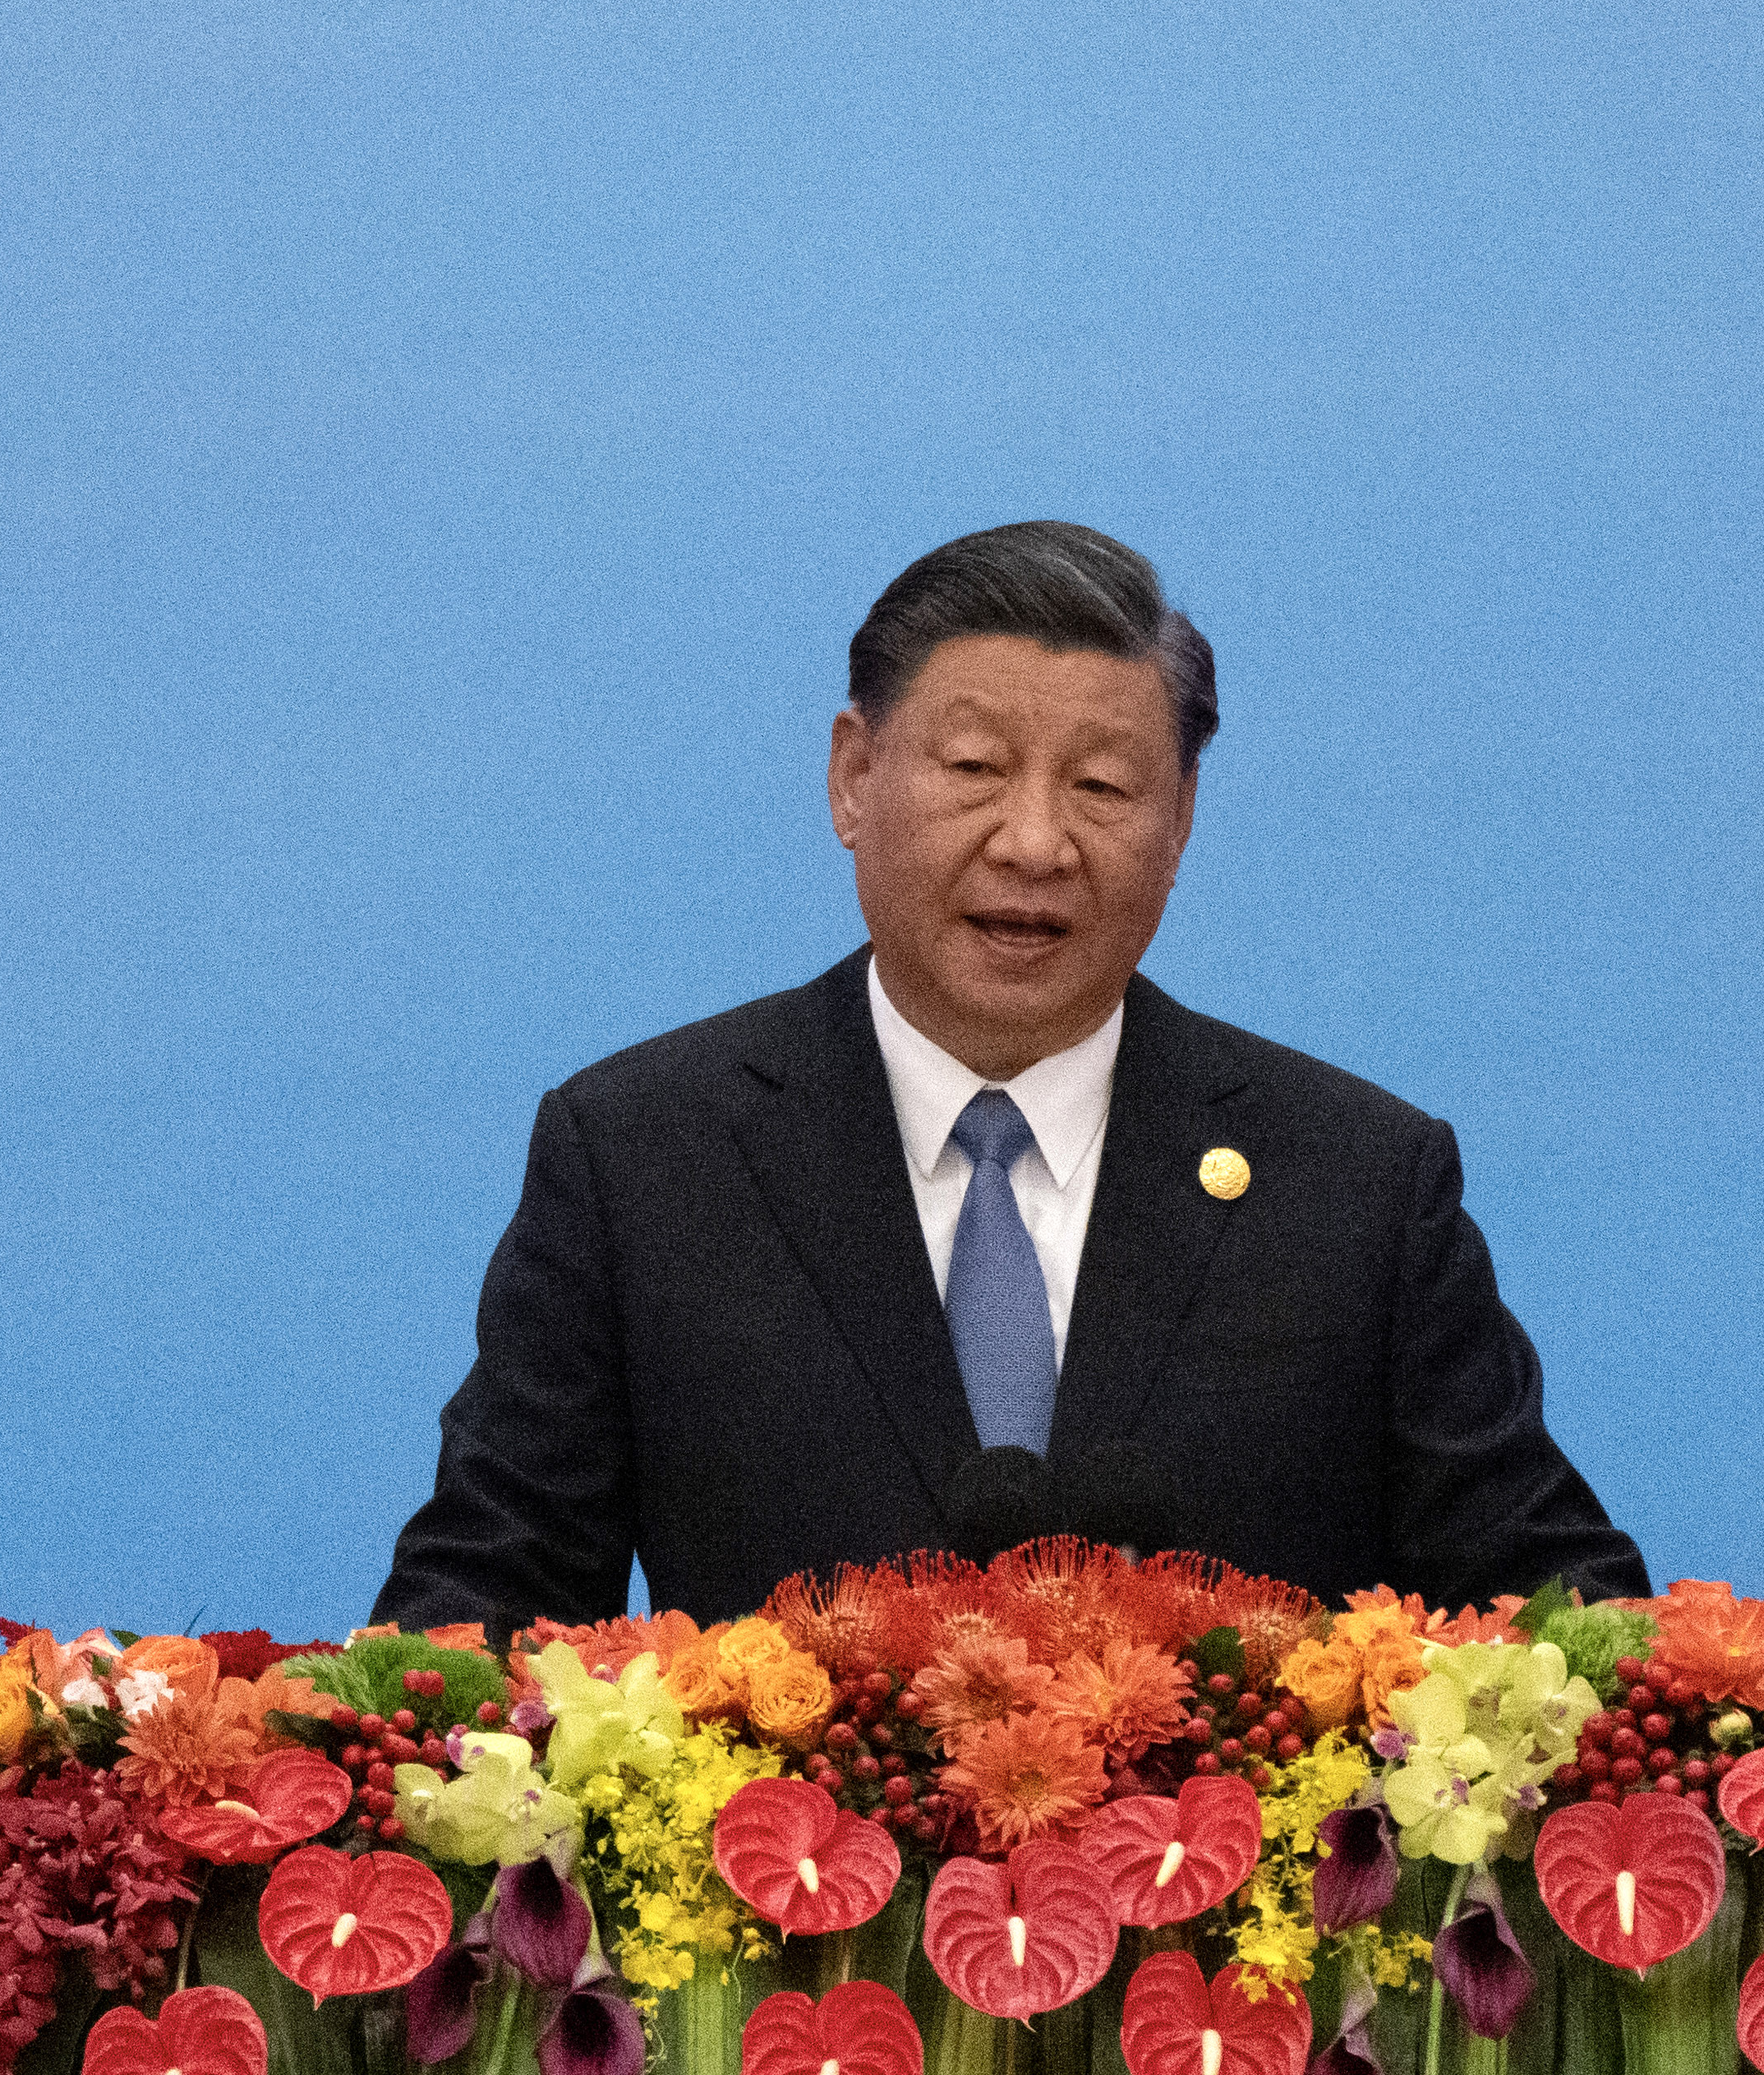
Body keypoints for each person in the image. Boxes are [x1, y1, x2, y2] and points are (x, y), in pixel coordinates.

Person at [371, 522, 1647, 1630]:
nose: (1034, 842)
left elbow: (1549, 1611)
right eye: (975, 769)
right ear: (854, 776)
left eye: (1100, 785)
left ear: (1182, 818)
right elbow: (485, 1605)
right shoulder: (644, 1154)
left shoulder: (1356, 1179)